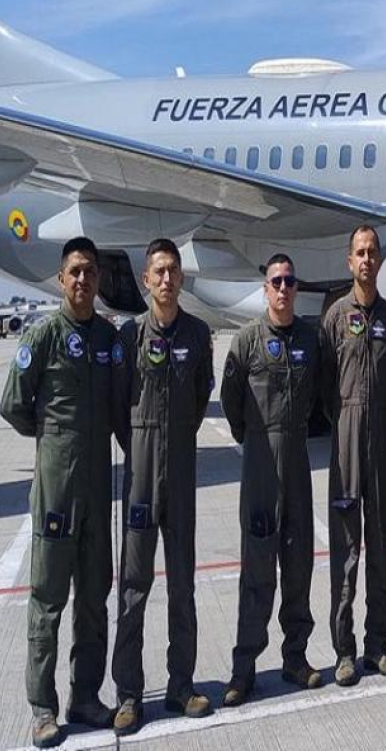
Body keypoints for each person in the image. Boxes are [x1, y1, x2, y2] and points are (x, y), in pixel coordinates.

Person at [1, 236, 120, 748]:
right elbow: (13, 404)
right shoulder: (46, 335)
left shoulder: (109, 340)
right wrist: (52, 439)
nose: (81, 280)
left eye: (89, 271)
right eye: (74, 271)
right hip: (56, 488)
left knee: (94, 597)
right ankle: (43, 707)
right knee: (48, 600)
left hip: (98, 489)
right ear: (60, 278)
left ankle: (86, 696)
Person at [110, 239, 215, 736]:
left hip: (181, 472)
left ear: (181, 278)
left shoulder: (197, 333)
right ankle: (129, 694)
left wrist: (173, 436)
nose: (167, 279)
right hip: (140, 475)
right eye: (159, 271)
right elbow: (117, 405)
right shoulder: (130, 335)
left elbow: (201, 396)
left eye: (174, 270)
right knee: (132, 589)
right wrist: (141, 441)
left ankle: (181, 683)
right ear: (146, 280)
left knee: (183, 585)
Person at [220, 254, 323, 706]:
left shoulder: (310, 338)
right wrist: (257, 442)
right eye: (275, 281)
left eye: (289, 281)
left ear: (296, 288)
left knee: (298, 567)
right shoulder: (246, 342)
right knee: (256, 573)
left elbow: (322, 392)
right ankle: (244, 670)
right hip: (261, 469)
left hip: (298, 465)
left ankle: (295, 658)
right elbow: (231, 403)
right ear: (265, 289)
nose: (283, 288)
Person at [318, 225, 386, 685]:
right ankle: (345, 650)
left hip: (381, 443)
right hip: (346, 441)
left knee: (381, 546)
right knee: (347, 548)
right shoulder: (335, 317)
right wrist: (348, 419)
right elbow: (325, 386)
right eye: (360, 253)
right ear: (349, 262)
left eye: (372, 252)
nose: (367, 259)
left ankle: (378, 644)